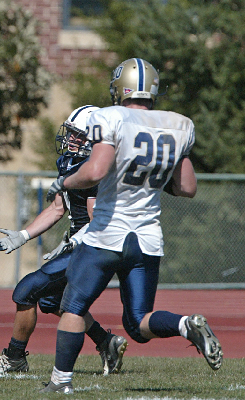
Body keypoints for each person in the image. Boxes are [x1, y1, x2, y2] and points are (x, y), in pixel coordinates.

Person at [40, 58, 223, 394]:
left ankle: (60, 381)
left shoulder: (110, 116)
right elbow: (187, 187)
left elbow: (95, 171)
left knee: (73, 306)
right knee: (138, 324)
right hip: (148, 237)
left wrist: (65, 183)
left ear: (119, 88)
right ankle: (185, 325)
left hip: (107, 231)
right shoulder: (177, 124)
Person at [0, 105, 128, 375]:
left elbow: (98, 221)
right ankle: (107, 343)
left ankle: (14, 359)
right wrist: (23, 235)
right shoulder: (69, 162)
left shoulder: (95, 170)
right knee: (52, 302)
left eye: (78, 136)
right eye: (70, 133)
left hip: (90, 246)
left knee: (26, 291)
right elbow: (58, 208)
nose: (70, 139)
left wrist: (73, 242)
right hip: (77, 243)